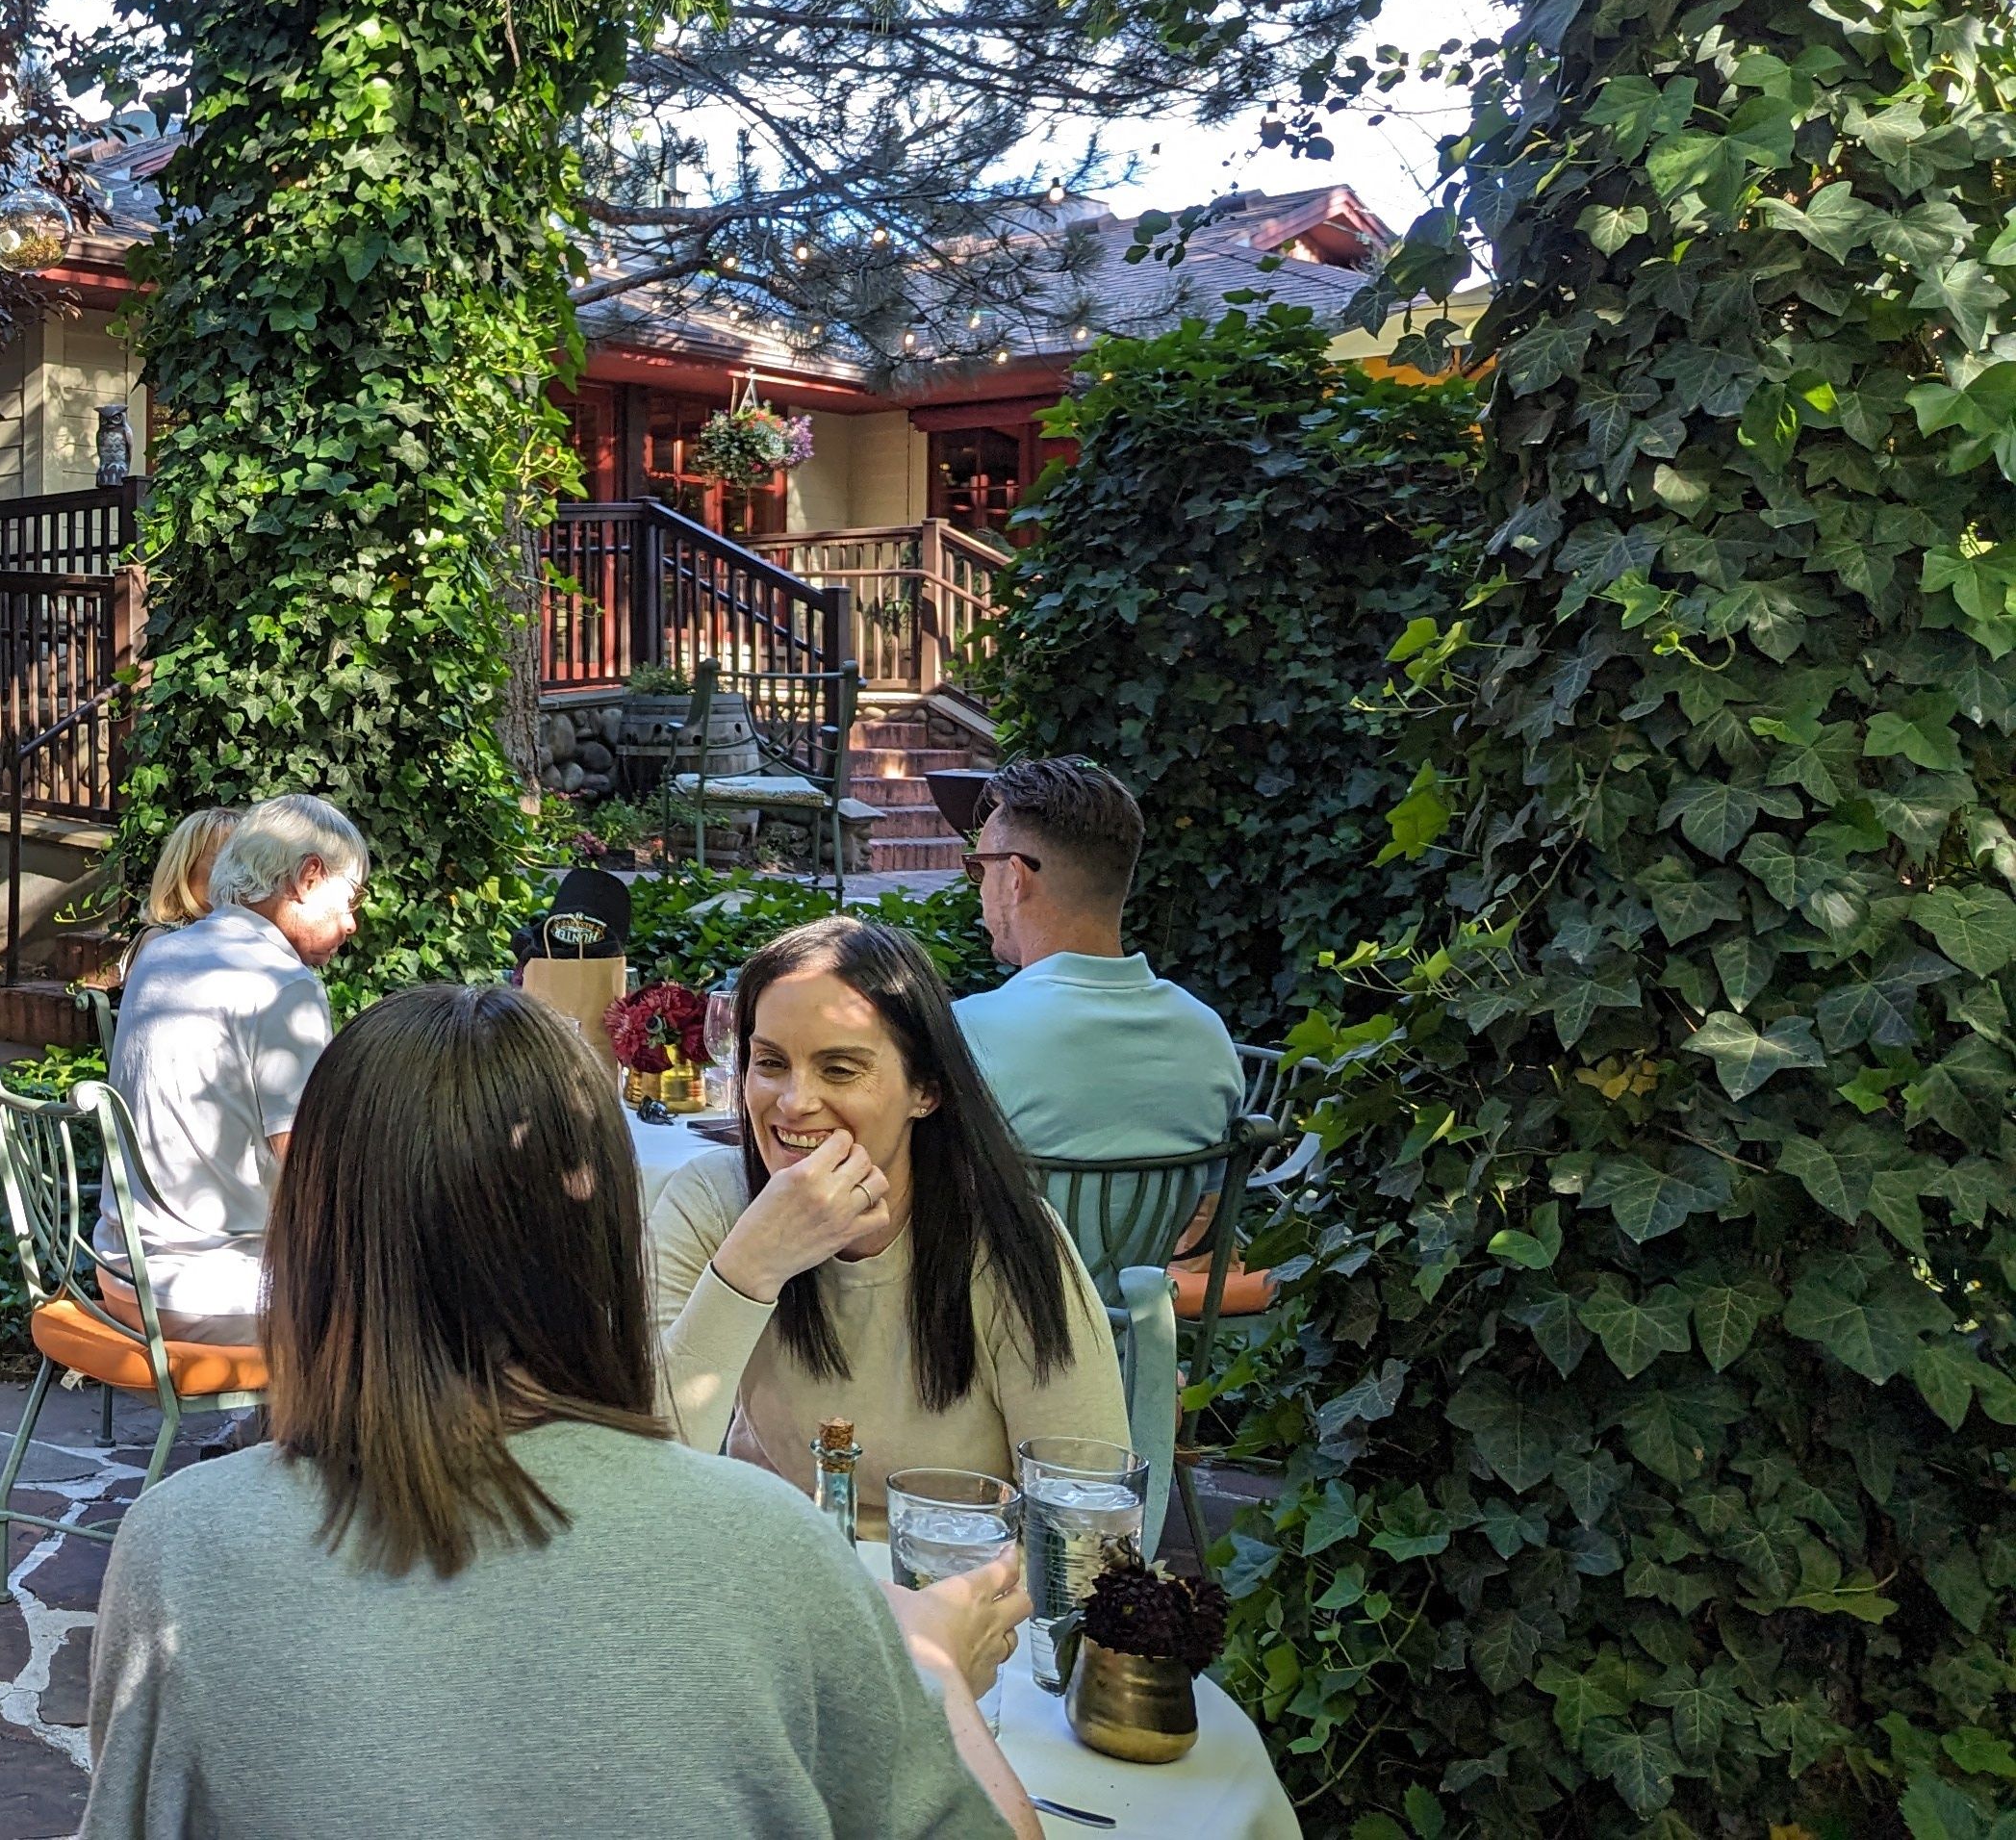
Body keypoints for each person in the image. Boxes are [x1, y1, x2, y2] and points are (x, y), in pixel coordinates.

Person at [85, 984, 1037, 1840]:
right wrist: (932, 1665)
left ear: (313, 1233)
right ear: (600, 1233)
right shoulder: (774, 1554)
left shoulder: (180, 1549)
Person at [649, 915, 1124, 1532]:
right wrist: (751, 1267)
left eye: (840, 1069)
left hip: (953, 1590)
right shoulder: (710, 1203)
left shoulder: (1005, 1241)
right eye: (769, 1062)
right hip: (774, 1576)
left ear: (925, 1090)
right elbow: (643, 1466)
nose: (794, 1102)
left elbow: (1083, 1505)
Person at [96, 793, 367, 1343]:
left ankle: (270, 1425)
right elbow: (313, 1170)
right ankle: (335, 1430)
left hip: (120, 1270)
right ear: (308, 878)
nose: (351, 924)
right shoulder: (282, 984)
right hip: (208, 1293)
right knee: (421, 1278)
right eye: (349, 900)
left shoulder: (160, 954)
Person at [952, 756, 1242, 1162]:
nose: (980, 892)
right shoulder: (1206, 1034)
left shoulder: (967, 1033)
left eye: (980, 870)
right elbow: (1206, 1209)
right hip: (1166, 1229)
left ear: (1016, 878)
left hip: (1009, 1228)